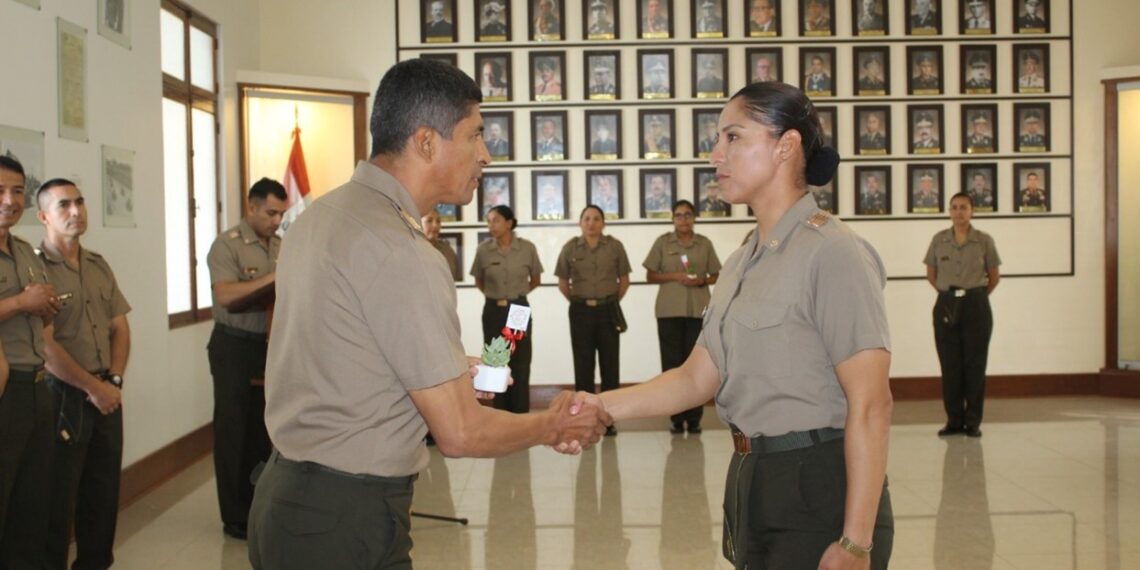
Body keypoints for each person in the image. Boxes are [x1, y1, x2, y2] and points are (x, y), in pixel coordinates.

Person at [248, 58, 609, 569]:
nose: (485, 155)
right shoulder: (402, 250)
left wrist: (443, 370)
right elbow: (461, 433)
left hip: (286, 500)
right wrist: (552, 426)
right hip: (344, 520)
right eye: (475, 135)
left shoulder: (319, 218)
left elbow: (340, 353)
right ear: (425, 142)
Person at [569, 81, 894, 569]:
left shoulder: (834, 252)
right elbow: (695, 378)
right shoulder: (743, 261)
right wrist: (599, 405)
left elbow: (872, 405)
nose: (716, 154)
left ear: (786, 145)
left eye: (733, 137)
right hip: (753, 477)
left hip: (820, 485)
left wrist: (855, 543)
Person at [36, 180, 131, 570]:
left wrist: (114, 381)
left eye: (79, 202)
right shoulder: (36, 269)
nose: (76, 211)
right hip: (63, 395)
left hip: (106, 391)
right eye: (63, 205)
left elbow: (119, 327)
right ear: (43, 216)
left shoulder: (98, 264)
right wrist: (94, 388)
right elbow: (44, 347)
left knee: (103, 494)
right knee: (57, 499)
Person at [206, 177, 284, 540]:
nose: (276, 221)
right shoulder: (227, 245)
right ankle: (235, 516)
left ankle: (260, 506)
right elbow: (225, 295)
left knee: (263, 430)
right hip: (234, 347)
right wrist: (273, 279)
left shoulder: (282, 245)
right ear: (251, 207)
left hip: (270, 346)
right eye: (270, 213)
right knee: (234, 431)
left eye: (281, 214)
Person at [0, 156, 59, 568]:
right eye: (0, 191)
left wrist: (45, 308)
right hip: (6, 389)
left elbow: (38, 314)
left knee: (32, 501)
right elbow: (23, 303)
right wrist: (22, 302)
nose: (10, 200)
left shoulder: (24, 250)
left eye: (18, 191)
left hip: (38, 386)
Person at [925, 192, 1000, 439]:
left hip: (976, 304)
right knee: (950, 365)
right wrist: (950, 296)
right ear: (949, 211)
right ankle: (954, 421)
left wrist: (973, 296)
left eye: (963, 207)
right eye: (954, 207)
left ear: (972, 211)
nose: (959, 212)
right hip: (947, 305)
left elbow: (994, 276)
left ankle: (973, 422)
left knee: (975, 365)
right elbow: (931, 274)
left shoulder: (984, 241)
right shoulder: (939, 240)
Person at [643, 200, 721, 435]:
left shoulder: (704, 244)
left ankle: (695, 419)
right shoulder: (663, 243)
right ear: (673, 219)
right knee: (672, 366)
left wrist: (702, 280)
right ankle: (676, 418)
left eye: (687, 215)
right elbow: (650, 275)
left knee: (697, 366)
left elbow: (717, 274)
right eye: (678, 215)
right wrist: (675, 276)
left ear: (694, 218)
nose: (683, 219)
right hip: (669, 312)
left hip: (698, 312)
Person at [555, 205, 630, 437]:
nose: (591, 223)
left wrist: (608, 302)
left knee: (610, 364)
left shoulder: (615, 246)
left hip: (609, 309)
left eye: (596, 218)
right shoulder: (570, 248)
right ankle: (584, 418)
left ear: (603, 223)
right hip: (580, 311)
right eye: (586, 218)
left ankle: (609, 419)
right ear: (580, 223)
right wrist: (580, 302)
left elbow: (624, 280)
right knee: (583, 365)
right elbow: (563, 283)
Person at [471, 205, 543, 413]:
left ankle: (520, 412)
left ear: (509, 223)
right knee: (495, 361)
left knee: (520, 360)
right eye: (489, 221)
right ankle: (499, 412)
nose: (491, 225)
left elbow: (536, 279)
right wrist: (497, 296)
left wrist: (516, 296)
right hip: (493, 310)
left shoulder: (527, 248)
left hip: (518, 309)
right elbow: (479, 280)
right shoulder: (484, 250)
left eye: (496, 220)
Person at [421, 208, 462, 281]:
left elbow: (455, 279)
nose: (435, 225)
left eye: (438, 221)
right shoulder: (411, 250)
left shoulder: (448, 250)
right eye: (429, 221)